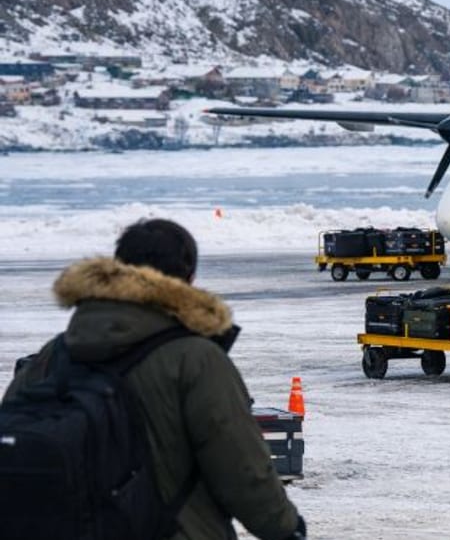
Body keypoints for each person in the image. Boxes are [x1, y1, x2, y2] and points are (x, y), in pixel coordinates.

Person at [3, 218, 306, 540]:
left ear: (116, 272)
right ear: (189, 277)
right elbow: (242, 469)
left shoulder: (55, 353)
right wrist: (286, 528)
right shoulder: (196, 359)